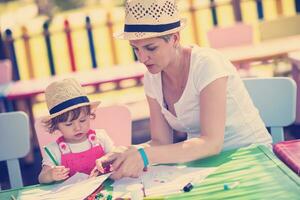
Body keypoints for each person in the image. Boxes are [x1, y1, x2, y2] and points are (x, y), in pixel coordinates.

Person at [95, 0, 272, 180]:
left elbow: (211, 143)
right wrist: (128, 153)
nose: (142, 58)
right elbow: (160, 142)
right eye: (135, 49)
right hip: (204, 166)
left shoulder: (206, 64)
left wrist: (144, 156)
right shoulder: (152, 77)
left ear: (175, 38)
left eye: (150, 48)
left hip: (252, 158)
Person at [38, 78, 114, 184]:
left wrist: (113, 162)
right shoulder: (54, 150)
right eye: (69, 124)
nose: (77, 128)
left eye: (82, 120)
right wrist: (50, 174)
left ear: (90, 115)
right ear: (56, 126)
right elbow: (42, 178)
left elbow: (115, 156)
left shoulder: (100, 138)